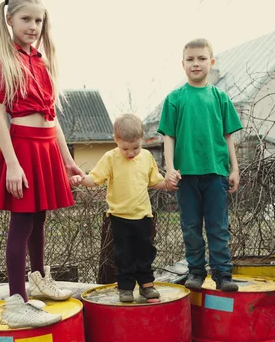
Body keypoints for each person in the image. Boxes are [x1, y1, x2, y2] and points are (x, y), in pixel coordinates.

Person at [0, 0, 84, 328]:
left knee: (39, 218)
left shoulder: (42, 61)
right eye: (26, 19)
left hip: (46, 148)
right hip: (23, 149)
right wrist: (12, 163)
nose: (33, 26)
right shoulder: (0, 60)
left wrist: (67, 159)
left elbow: (50, 118)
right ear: (10, 20)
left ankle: (39, 277)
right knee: (22, 223)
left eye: (38, 20)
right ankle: (16, 301)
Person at [158, 38, 243, 292]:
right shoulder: (174, 98)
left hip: (216, 173)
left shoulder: (220, 97)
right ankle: (196, 272)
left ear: (211, 62)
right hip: (186, 175)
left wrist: (234, 168)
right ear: (182, 65)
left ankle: (222, 275)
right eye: (191, 59)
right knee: (191, 227)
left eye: (202, 58)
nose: (196, 63)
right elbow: (169, 137)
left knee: (218, 227)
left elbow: (229, 136)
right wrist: (170, 168)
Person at [70, 114, 174, 303]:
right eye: (125, 148)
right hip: (119, 216)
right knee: (123, 253)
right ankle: (125, 287)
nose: (131, 153)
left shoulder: (147, 157)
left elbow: (155, 181)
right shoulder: (110, 158)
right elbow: (95, 179)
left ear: (141, 139)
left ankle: (147, 284)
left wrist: (167, 183)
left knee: (145, 251)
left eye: (136, 147)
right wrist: (81, 179)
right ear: (115, 140)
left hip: (143, 215)